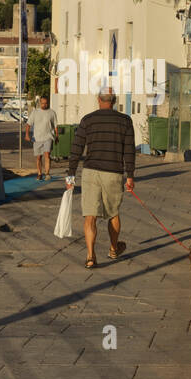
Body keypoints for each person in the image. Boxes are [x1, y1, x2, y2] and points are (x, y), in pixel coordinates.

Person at [67, 85, 136, 268]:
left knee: (90, 216)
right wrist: (130, 176)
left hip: (90, 172)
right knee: (113, 213)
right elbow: (129, 151)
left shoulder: (88, 120)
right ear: (114, 102)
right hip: (113, 172)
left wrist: (70, 174)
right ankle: (113, 249)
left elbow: (77, 148)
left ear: (99, 100)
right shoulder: (125, 121)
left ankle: (90, 256)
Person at [25, 95, 59, 180]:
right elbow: (28, 124)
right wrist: (27, 135)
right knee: (38, 157)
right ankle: (39, 174)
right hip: (37, 138)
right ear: (40, 103)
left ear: (48, 103)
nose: (44, 105)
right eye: (42, 103)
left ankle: (47, 173)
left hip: (48, 137)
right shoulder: (35, 112)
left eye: (46, 103)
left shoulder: (52, 113)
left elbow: (55, 125)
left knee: (47, 154)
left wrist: (57, 136)